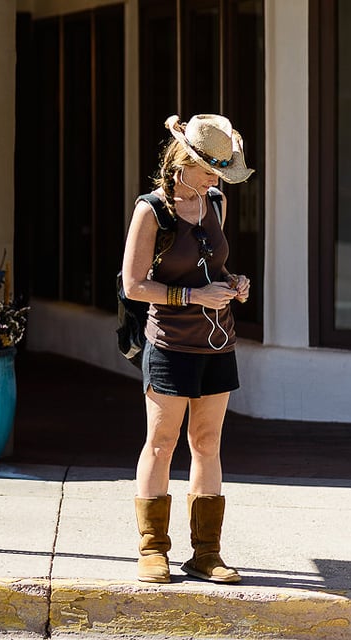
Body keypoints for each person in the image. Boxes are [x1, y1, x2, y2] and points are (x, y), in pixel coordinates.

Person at [121, 114, 254, 584]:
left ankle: (206, 554)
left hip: (217, 343)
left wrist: (232, 284)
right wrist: (192, 297)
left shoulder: (214, 203)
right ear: (183, 162)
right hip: (170, 344)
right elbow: (134, 285)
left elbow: (212, 266)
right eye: (210, 168)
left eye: (221, 169)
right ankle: (152, 549)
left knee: (208, 443)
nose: (217, 177)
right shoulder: (152, 210)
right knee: (161, 443)